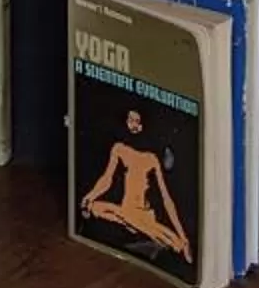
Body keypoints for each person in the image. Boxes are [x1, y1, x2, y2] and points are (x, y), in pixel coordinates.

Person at [80, 106, 192, 262]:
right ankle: (158, 235)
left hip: (143, 216)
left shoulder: (151, 158)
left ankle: (168, 238)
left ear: (142, 124)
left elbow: (166, 198)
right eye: (129, 120)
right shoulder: (119, 149)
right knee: (95, 207)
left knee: (175, 242)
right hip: (125, 212)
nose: (132, 124)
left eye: (136, 121)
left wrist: (182, 235)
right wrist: (89, 197)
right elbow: (106, 179)